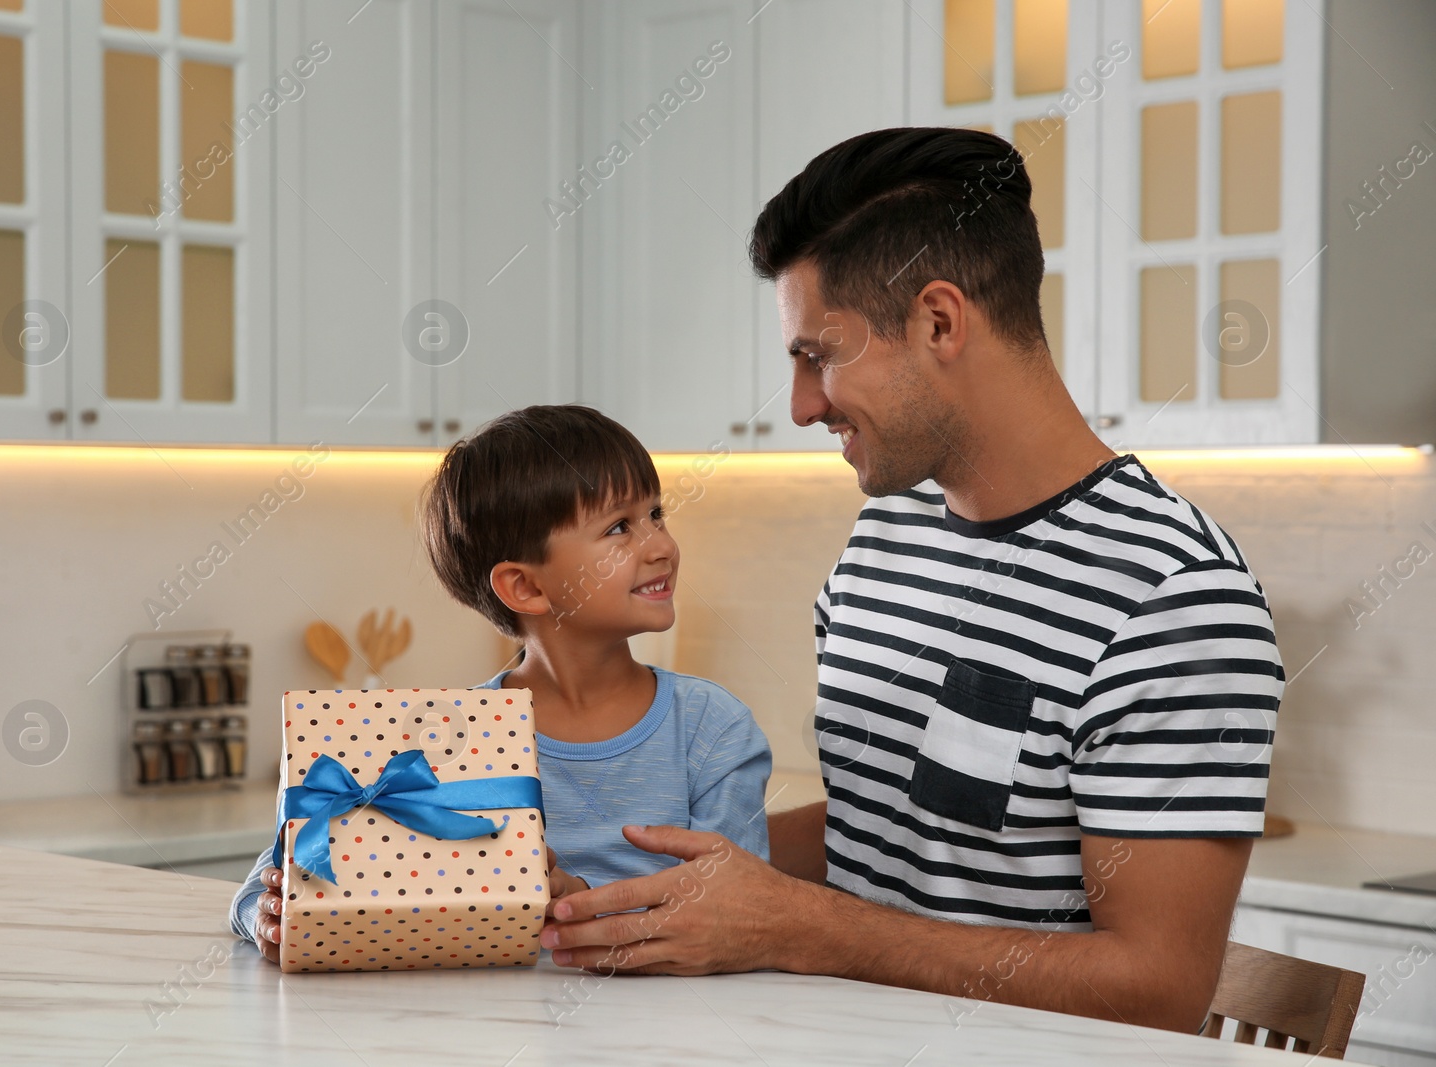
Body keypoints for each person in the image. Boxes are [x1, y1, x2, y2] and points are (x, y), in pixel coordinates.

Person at [537, 127, 1285, 1034]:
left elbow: (1157, 987)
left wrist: (799, 925)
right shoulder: (885, 537)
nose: (805, 403)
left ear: (939, 321)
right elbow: (880, 828)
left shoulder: (1173, 598)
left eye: (819, 354)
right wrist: (595, 871)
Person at [229, 404, 773, 961]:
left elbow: (741, 919)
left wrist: (583, 907)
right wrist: (270, 918)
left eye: (656, 514)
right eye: (619, 528)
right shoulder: (449, 735)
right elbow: (256, 890)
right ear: (526, 588)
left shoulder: (713, 729)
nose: (661, 545)